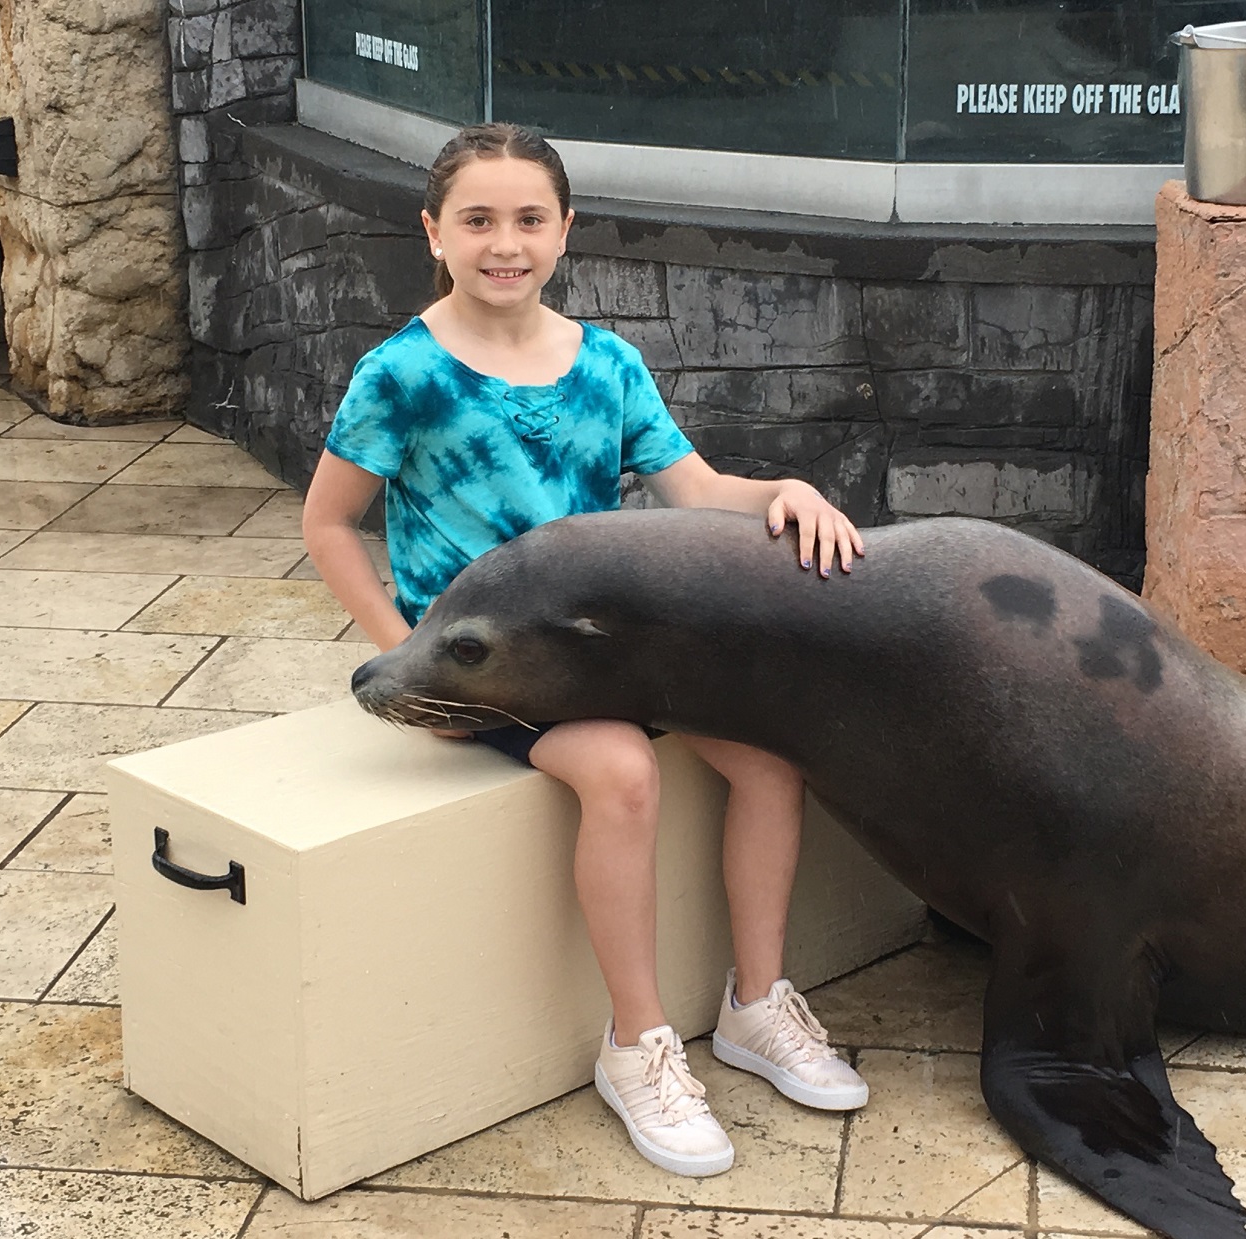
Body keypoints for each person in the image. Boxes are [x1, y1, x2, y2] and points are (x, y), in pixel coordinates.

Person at [301, 122, 869, 1179]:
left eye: (529, 219)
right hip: (500, 671)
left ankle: (754, 1004)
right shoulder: (402, 373)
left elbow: (694, 490)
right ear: (433, 232)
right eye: (477, 220)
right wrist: (413, 666)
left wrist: (783, 491)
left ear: (565, 231)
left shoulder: (607, 363)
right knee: (621, 769)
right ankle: (636, 1043)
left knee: (769, 756)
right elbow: (328, 522)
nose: (504, 243)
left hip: (611, 649)